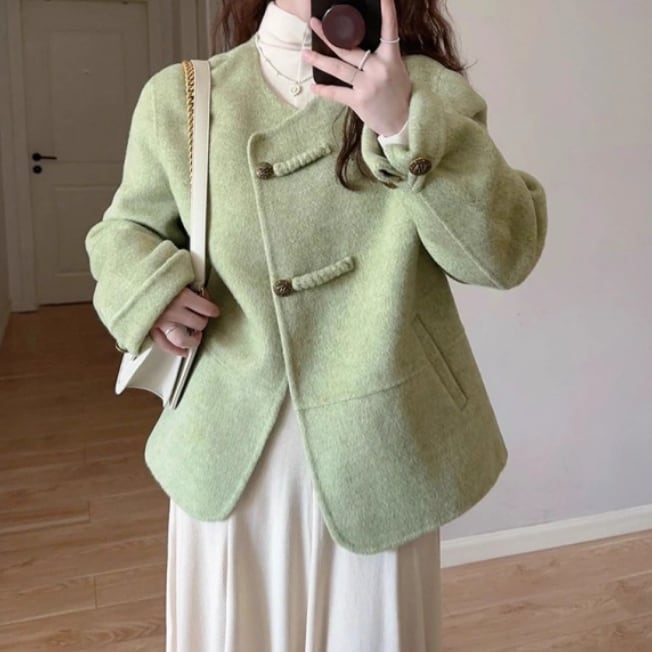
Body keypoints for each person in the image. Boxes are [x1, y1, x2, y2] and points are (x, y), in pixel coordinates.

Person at [85, 0, 548, 649]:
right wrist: (150, 290)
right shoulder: (185, 96)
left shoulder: (427, 91)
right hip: (230, 452)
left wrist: (402, 127)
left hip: (385, 454)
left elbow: (502, 256)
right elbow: (125, 229)